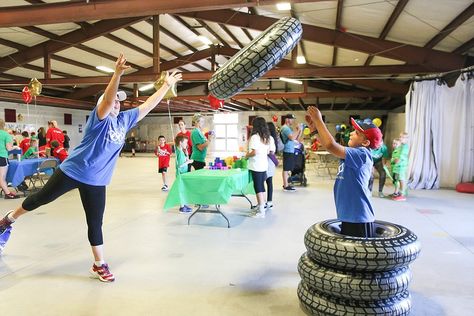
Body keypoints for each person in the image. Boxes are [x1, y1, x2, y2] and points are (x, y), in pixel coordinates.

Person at [0, 53, 182, 280]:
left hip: (97, 180)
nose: (118, 102)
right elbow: (107, 100)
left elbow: (148, 104)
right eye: (114, 99)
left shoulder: (124, 120)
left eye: (119, 100)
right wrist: (116, 74)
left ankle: (99, 263)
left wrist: (165, 86)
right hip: (72, 171)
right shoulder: (99, 118)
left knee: (95, 223)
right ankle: (8, 220)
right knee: (39, 200)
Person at [305, 106, 382, 238]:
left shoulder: (362, 154)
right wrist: (314, 132)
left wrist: (319, 121)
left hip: (359, 218)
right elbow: (328, 146)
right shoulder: (354, 153)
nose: (351, 133)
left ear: (366, 142)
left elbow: (331, 145)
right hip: (349, 215)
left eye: (357, 133)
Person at [245, 117, 275, 218]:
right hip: (264, 165)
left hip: (256, 165)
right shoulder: (267, 137)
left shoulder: (255, 137)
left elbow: (254, 152)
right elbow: (270, 151)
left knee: (258, 187)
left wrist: (246, 156)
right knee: (261, 186)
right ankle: (262, 206)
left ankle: (261, 211)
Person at [280, 113, 302, 192]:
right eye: (291, 119)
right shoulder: (285, 128)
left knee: (288, 168)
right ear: (287, 119)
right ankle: (286, 186)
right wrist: (298, 130)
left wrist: (300, 131)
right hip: (287, 150)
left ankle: (286, 184)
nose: (292, 121)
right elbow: (292, 138)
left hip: (290, 150)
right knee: (286, 169)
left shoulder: (289, 128)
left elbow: (297, 139)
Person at [0, 119, 19, 200]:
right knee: (2, 177)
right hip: (2, 157)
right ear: (3, 125)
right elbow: (8, 148)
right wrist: (15, 147)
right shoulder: (6, 135)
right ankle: (8, 193)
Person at [174, 134, 194, 213]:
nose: (186, 144)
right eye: (185, 142)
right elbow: (179, 166)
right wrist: (188, 162)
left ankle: (184, 205)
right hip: (180, 174)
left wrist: (186, 155)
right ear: (180, 143)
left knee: (184, 190)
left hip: (183, 173)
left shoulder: (181, 151)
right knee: (182, 191)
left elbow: (184, 160)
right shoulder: (178, 152)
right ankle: (182, 208)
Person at [391, 133, 409, 201]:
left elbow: (402, 155)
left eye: (403, 137)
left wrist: (397, 160)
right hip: (397, 167)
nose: (401, 138)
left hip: (401, 166)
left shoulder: (405, 146)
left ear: (406, 139)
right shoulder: (401, 146)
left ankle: (402, 194)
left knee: (401, 179)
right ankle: (397, 192)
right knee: (397, 180)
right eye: (400, 137)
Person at [266, 122, 278, 210]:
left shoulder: (269, 139)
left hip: (267, 163)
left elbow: (271, 153)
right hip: (269, 164)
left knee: (264, 183)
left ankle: (266, 202)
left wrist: (276, 162)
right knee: (269, 182)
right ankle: (269, 201)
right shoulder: (272, 138)